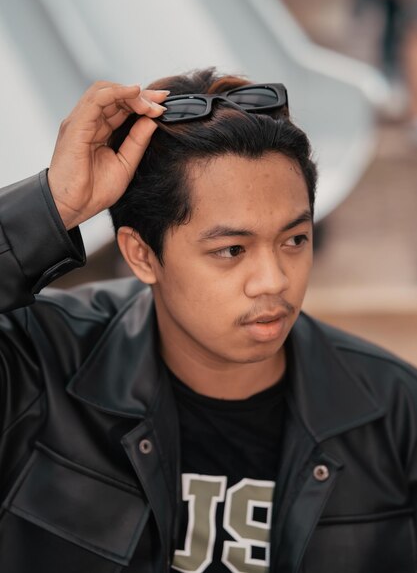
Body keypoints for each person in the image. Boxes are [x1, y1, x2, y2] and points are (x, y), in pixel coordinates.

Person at [0, 68, 417, 573]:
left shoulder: (394, 412)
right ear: (140, 254)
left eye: (294, 240)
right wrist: (52, 207)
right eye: (231, 250)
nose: (273, 280)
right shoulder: (39, 368)